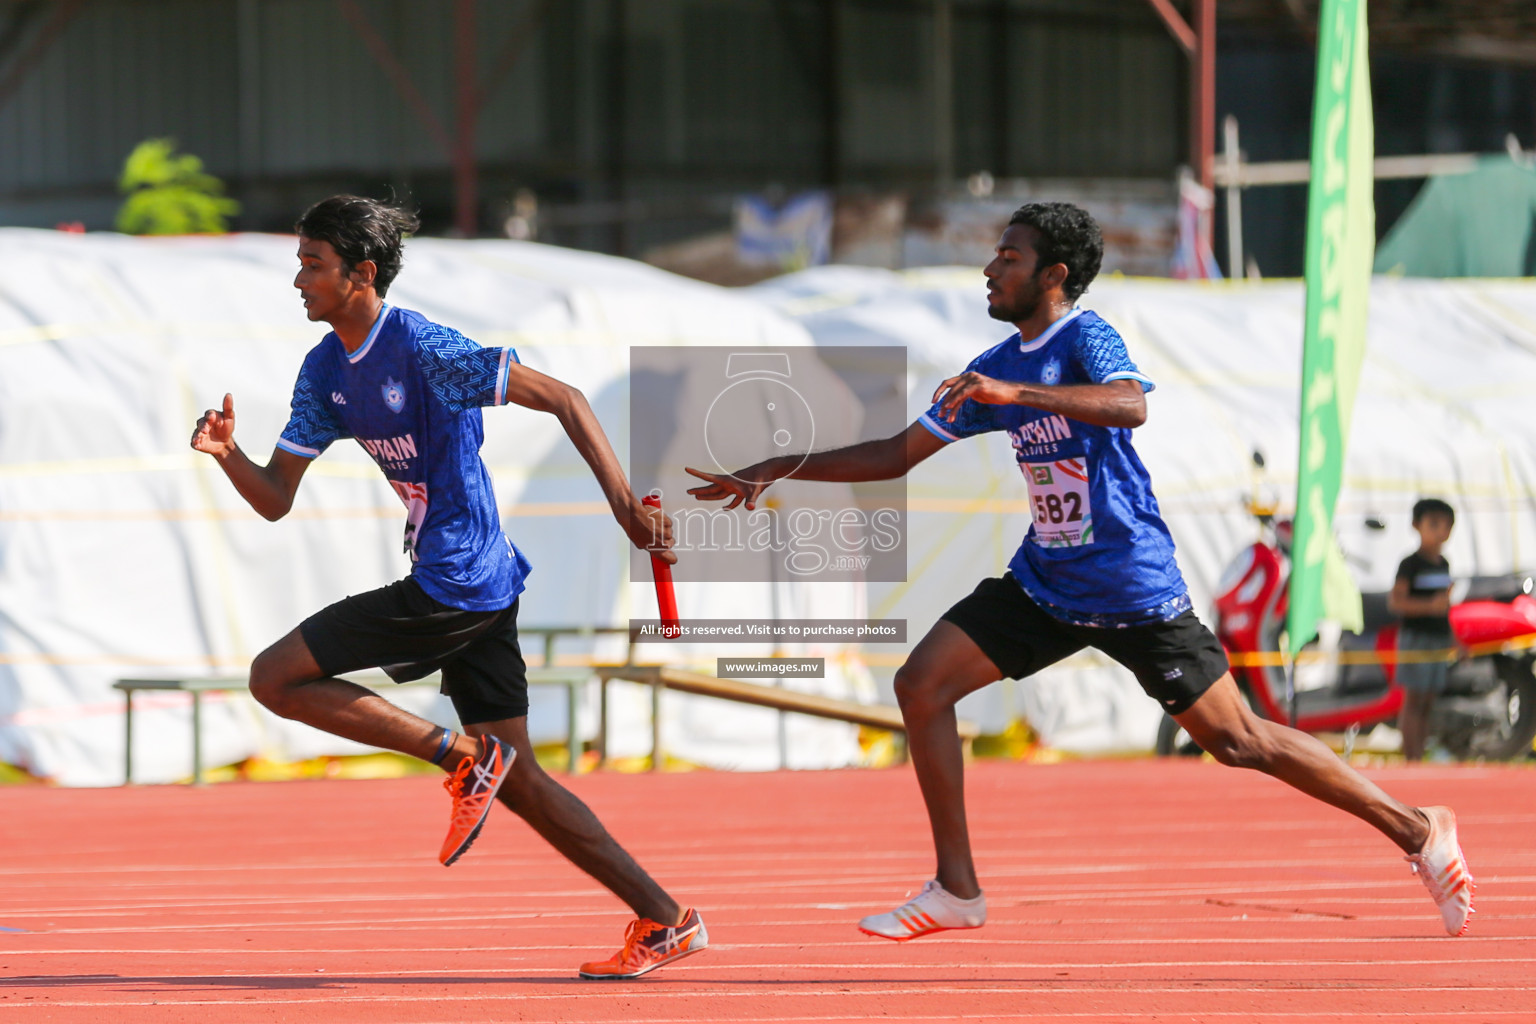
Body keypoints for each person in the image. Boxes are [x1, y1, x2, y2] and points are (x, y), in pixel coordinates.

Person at [685, 201, 1475, 939]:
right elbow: (896, 453)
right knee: (921, 684)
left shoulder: (1083, 338)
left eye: (1008, 258)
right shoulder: (991, 364)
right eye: (993, 257)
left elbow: (1130, 405)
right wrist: (779, 464)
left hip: (1131, 586)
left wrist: (1016, 392)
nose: (990, 271)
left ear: (1052, 275)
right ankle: (958, 889)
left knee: (1239, 743)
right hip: (1046, 584)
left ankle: (1416, 826)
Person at [190, 195, 706, 979]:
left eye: (312, 265)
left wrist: (628, 508)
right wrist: (228, 454)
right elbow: (275, 498)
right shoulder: (326, 370)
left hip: (456, 582)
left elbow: (565, 397)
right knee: (524, 779)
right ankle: (665, 919)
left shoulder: (426, 347)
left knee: (275, 677)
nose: (298, 280)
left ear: (361, 274)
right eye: (299, 263)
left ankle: (460, 756)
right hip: (475, 587)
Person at [1389, 498, 1457, 762]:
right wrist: (1429, 605)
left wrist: (1455, 640)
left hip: (1438, 639)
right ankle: (1411, 758)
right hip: (1416, 638)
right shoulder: (1410, 564)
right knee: (1414, 700)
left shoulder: (1443, 564)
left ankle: (1420, 755)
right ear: (1417, 525)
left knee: (1428, 701)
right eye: (1434, 524)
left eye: (1447, 526)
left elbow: (1445, 609)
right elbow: (1396, 602)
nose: (1441, 532)